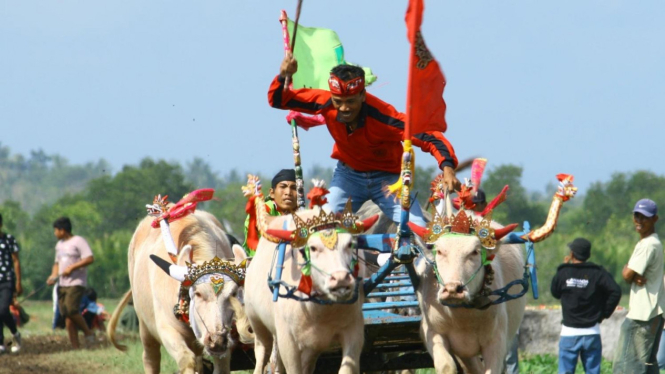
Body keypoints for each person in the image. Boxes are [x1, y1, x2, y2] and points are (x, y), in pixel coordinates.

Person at [268, 56, 460, 226]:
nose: (343, 108)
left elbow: (428, 136)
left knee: (418, 228)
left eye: (350, 101)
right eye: (338, 101)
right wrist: (283, 76)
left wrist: (448, 168)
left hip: (388, 181)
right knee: (321, 226)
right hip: (348, 177)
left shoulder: (384, 116)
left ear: (362, 95)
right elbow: (279, 100)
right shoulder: (325, 101)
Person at [551, 237, 622, 374]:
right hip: (592, 332)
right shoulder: (597, 273)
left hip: (569, 333)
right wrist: (603, 313)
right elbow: (615, 291)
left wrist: (563, 268)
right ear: (588, 255)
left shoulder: (564, 272)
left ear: (571, 254)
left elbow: (555, 292)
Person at [613, 199, 664, 373]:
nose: (639, 221)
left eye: (645, 217)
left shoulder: (648, 244)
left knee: (627, 367)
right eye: (637, 216)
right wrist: (631, 273)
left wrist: (628, 271)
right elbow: (630, 274)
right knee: (648, 366)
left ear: (655, 219)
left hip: (642, 315)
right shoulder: (654, 243)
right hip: (653, 313)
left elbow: (627, 275)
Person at [46, 217, 96, 349]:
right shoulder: (59, 245)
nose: (55, 233)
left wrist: (72, 267)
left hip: (76, 282)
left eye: (56, 230)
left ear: (63, 230)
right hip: (62, 283)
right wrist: (53, 275)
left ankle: (88, 332)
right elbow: (56, 263)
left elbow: (89, 258)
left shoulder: (78, 241)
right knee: (67, 315)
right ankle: (75, 347)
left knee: (71, 310)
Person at [243, 169, 298, 256]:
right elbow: (260, 220)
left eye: (294, 188)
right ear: (272, 193)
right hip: (259, 260)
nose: (288, 192)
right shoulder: (264, 208)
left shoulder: (302, 213)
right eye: (283, 187)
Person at [0, 213, 22, 354]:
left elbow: (16, 261)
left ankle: (15, 334)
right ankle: (1, 342)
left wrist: (18, 282)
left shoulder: (8, 240)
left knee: (2, 310)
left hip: (7, 279)